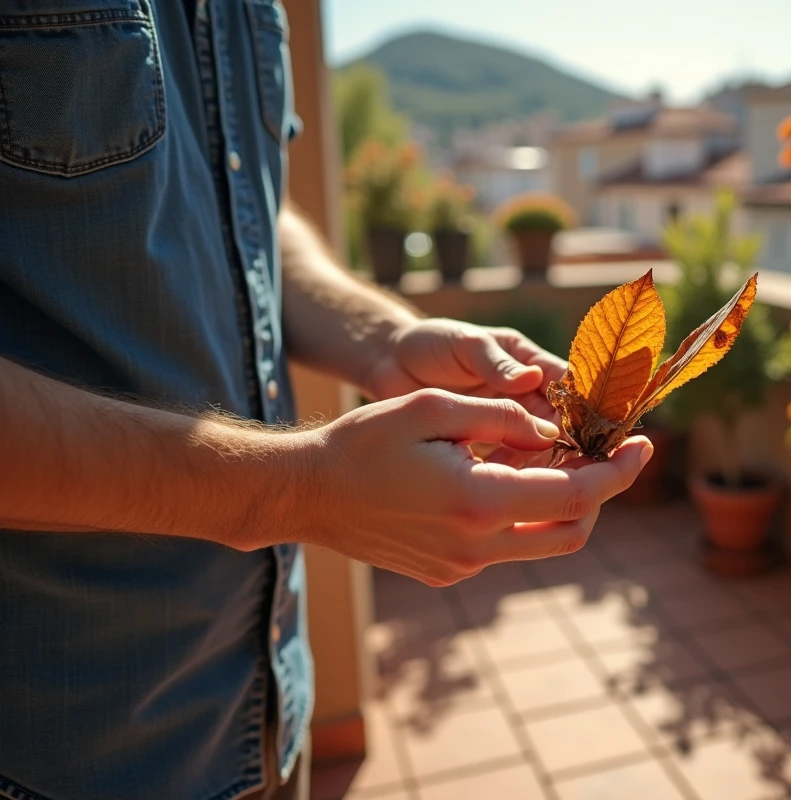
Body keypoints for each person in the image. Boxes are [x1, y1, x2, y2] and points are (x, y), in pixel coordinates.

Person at [0, 2, 650, 798]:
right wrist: (301, 491)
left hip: (266, 708)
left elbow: (252, 214)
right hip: (62, 754)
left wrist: (384, 341)